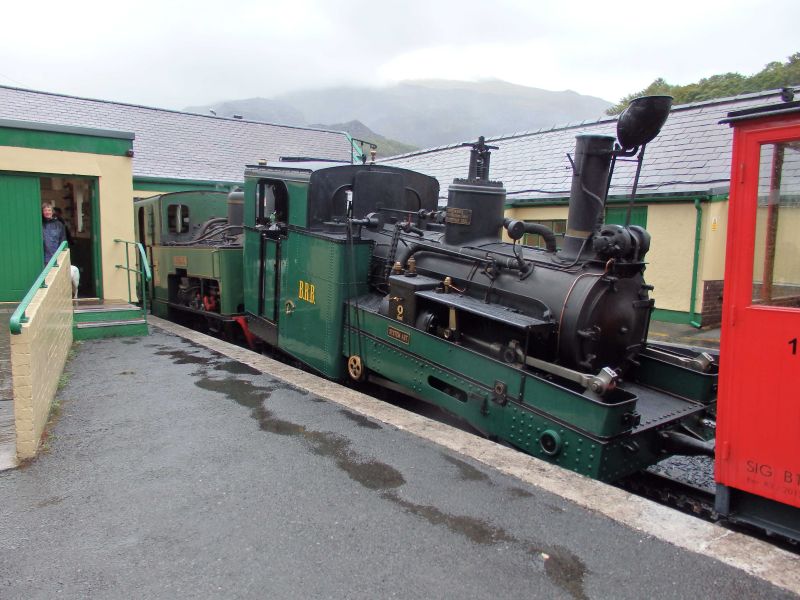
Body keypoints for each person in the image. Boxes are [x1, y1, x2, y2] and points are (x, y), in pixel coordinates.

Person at [41, 202, 80, 297]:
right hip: (44, 257)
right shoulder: (40, 224)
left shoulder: (59, 225)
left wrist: (60, 255)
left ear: (52, 211)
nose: (47, 212)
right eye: (45, 210)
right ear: (42, 212)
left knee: (57, 278)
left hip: (56, 256)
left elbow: (63, 240)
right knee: (46, 279)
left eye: (49, 210)